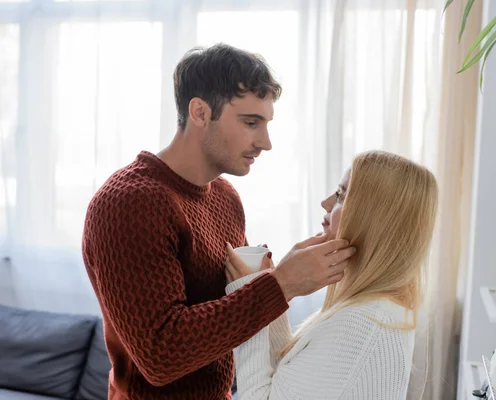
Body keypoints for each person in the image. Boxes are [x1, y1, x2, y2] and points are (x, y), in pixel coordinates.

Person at [81, 43, 355, 400]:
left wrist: (268, 279)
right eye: (251, 123)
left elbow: (227, 314)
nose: (266, 142)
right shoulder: (129, 202)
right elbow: (161, 356)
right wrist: (282, 284)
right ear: (199, 112)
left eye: (266, 124)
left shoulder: (225, 196)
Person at [225, 150, 438, 400]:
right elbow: (289, 382)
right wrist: (274, 290)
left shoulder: (362, 324)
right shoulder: (374, 309)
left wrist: (250, 301)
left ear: (372, 218)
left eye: (341, 196)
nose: (326, 203)